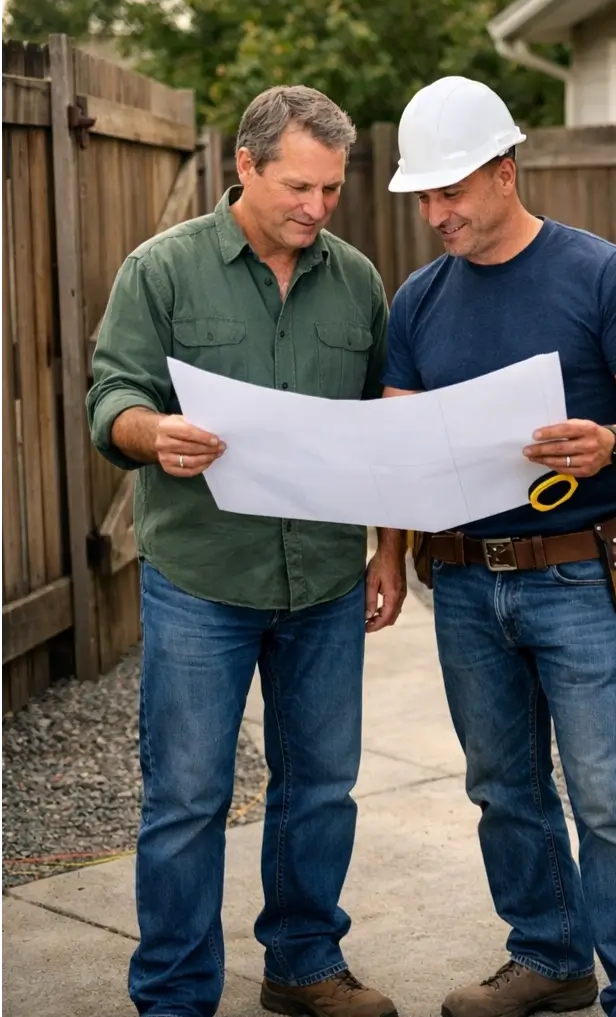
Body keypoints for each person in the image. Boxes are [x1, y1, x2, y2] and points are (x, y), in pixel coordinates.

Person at [85, 85, 404, 1017]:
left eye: (332, 191)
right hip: (202, 579)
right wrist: (153, 434)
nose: (315, 208)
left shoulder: (358, 281)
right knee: (187, 795)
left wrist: (389, 552)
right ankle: (177, 993)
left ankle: (304, 965)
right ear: (245, 165)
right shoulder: (162, 270)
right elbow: (111, 397)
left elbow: (386, 428)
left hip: (326, 580)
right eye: (298, 187)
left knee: (322, 785)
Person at [377, 76, 616, 1017]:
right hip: (466, 586)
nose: (435, 214)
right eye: (423, 197)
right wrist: (389, 555)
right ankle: (551, 956)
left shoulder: (599, 273)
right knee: (503, 787)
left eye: (450, 192)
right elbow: (399, 450)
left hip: (583, 578)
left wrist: (614, 442)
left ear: (505, 171)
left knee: (610, 798)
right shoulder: (418, 302)